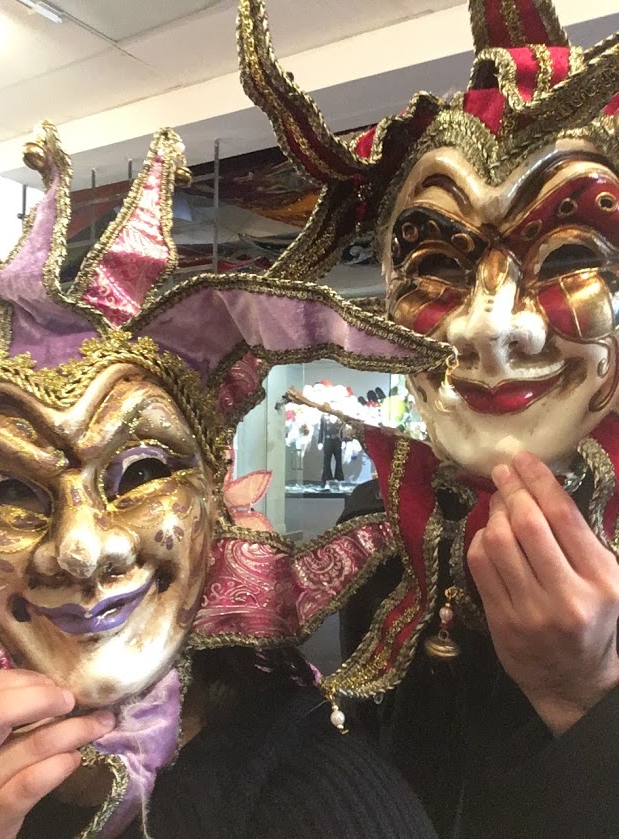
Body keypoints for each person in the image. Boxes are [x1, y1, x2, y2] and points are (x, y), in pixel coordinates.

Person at [0, 122, 443, 838]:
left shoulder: (311, 804)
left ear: (214, 505)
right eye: (10, 491)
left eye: (141, 473)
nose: (79, 550)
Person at [237, 0, 619, 836]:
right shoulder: (385, 523)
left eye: (568, 257)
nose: (486, 326)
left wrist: (585, 698)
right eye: (438, 263)